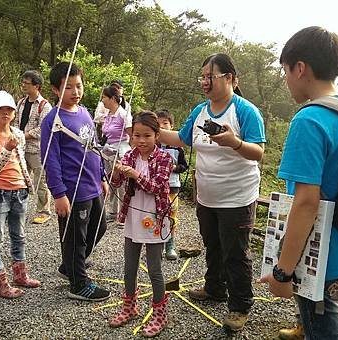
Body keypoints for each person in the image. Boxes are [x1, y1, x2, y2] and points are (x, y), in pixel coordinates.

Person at [259, 27, 338, 339]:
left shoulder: (309, 120)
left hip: (320, 261)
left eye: (285, 70)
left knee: (324, 334)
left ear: (300, 68)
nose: (286, 79)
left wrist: (282, 272)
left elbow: (307, 203)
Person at [158, 53, 266, 332]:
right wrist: (150, 129)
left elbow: (258, 153)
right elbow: (181, 139)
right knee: (213, 244)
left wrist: (234, 142)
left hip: (238, 197)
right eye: (202, 76)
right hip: (207, 196)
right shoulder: (200, 111)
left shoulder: (245, 111)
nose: (204, 81)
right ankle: (215, 288)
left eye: (210, 76)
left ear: (228, 78)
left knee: (236, 251)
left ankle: (240, 306)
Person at [40, 62, 110, 302]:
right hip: (73, 189)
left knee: (99, 227)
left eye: (78, 86)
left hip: (92, 185)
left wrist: (102, 176)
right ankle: (78, 283)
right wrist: (58, 194)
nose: (75, 92)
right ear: (56, 90)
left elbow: (94, 146)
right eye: (68, 87)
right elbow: (50, 159)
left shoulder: (84, 112)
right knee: (75, 238)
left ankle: (70, 265)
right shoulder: (52, 120)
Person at [108, 111, 173, 337]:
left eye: (147, 135)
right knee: (129, 267)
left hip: (156, 218)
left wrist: (135, 174)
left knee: (154, 269)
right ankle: (129, 307)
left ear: (157, 135)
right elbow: (116, 184)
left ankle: (160, 314)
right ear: (131, 136)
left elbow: (156, 187)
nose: (142, 140)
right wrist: (117, 173)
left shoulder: (165, 159)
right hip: (133, 218)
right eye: (137, 135)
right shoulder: (128, 156)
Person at [0, 90, 42, 299]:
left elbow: (21, 162)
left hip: (19, 191)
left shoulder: (19, 135)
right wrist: (6, 149)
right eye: (0, 109)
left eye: (9, 109)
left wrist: (26, 185)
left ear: (14, 112)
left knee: (19, 235)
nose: (5, 113)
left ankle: (20, 275)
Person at [14, 70, 53, 225]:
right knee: (20, 179)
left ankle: (44, 211)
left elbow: (42, 129)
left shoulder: (44, 106)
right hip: (21, 147)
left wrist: (22, 135)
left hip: (37, 149)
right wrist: (16, 134)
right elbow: (15, 121)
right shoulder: (21, 103)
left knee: (41, 180)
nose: (23, 85)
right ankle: (19, 208)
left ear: (37, 86)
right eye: (23, 82)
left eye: (27, 83)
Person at [156, 109, 188, 260]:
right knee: (156, 215)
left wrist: (174, 168)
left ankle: (170, 244)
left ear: (171, 126)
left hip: (173, 186)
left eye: (165, 123)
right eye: (158, 124)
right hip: (155, 187)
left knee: (171, 216)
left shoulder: (177, 147)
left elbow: (184, 166)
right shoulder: (153, 145)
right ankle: (156, 245)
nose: (162, 126)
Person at [100, 84, 133, 226]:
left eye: (104, 97)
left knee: (121, 183)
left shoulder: (123, 115)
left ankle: (124, 213)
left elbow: (131, 135)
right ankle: (113, 212)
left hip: (120, 152)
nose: (102, 101)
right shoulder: (108, 115)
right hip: (108, 150)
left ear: (113, 98)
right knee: (111, 181)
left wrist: (130, 154)